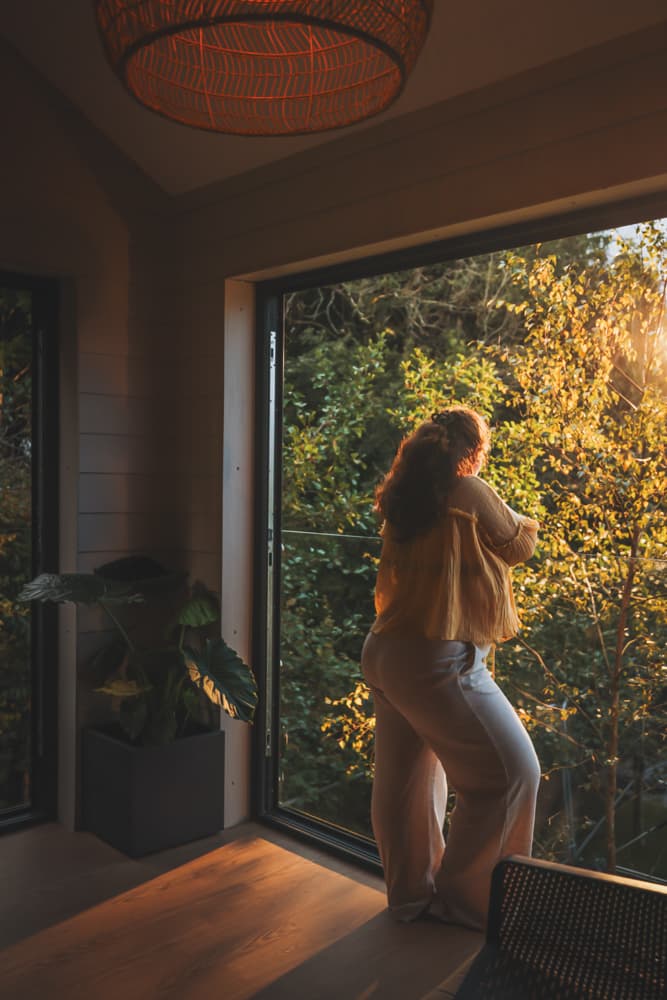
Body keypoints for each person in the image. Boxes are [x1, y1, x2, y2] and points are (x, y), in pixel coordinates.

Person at [361, 406, 541, 931]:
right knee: (512, 775)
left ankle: (410, 897)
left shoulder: (403, 495)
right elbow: (520, 544)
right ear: (472, 451)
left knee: (405, 782)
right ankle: (471, 903)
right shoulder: (468, 491)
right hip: (438, 660)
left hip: (384, 651)